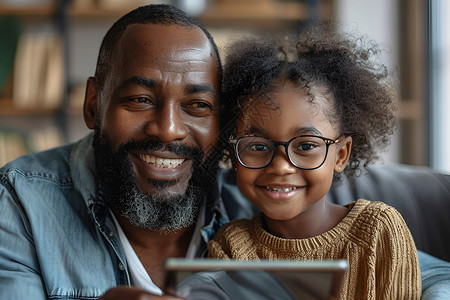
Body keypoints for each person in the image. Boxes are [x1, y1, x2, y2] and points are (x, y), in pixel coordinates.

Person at [0, 4, 449, 300]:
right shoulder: (23, 203)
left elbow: (431, 278)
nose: (169, 129)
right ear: (94, 103)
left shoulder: (262, 196)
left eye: (198, 106)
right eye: (139, 99)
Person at [207, 27, 421, 299]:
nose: (281, 166)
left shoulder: (379, 231)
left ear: (341, 155)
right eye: (258, 146)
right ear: (233, 153)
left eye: (306, 146)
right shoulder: (231, 247)